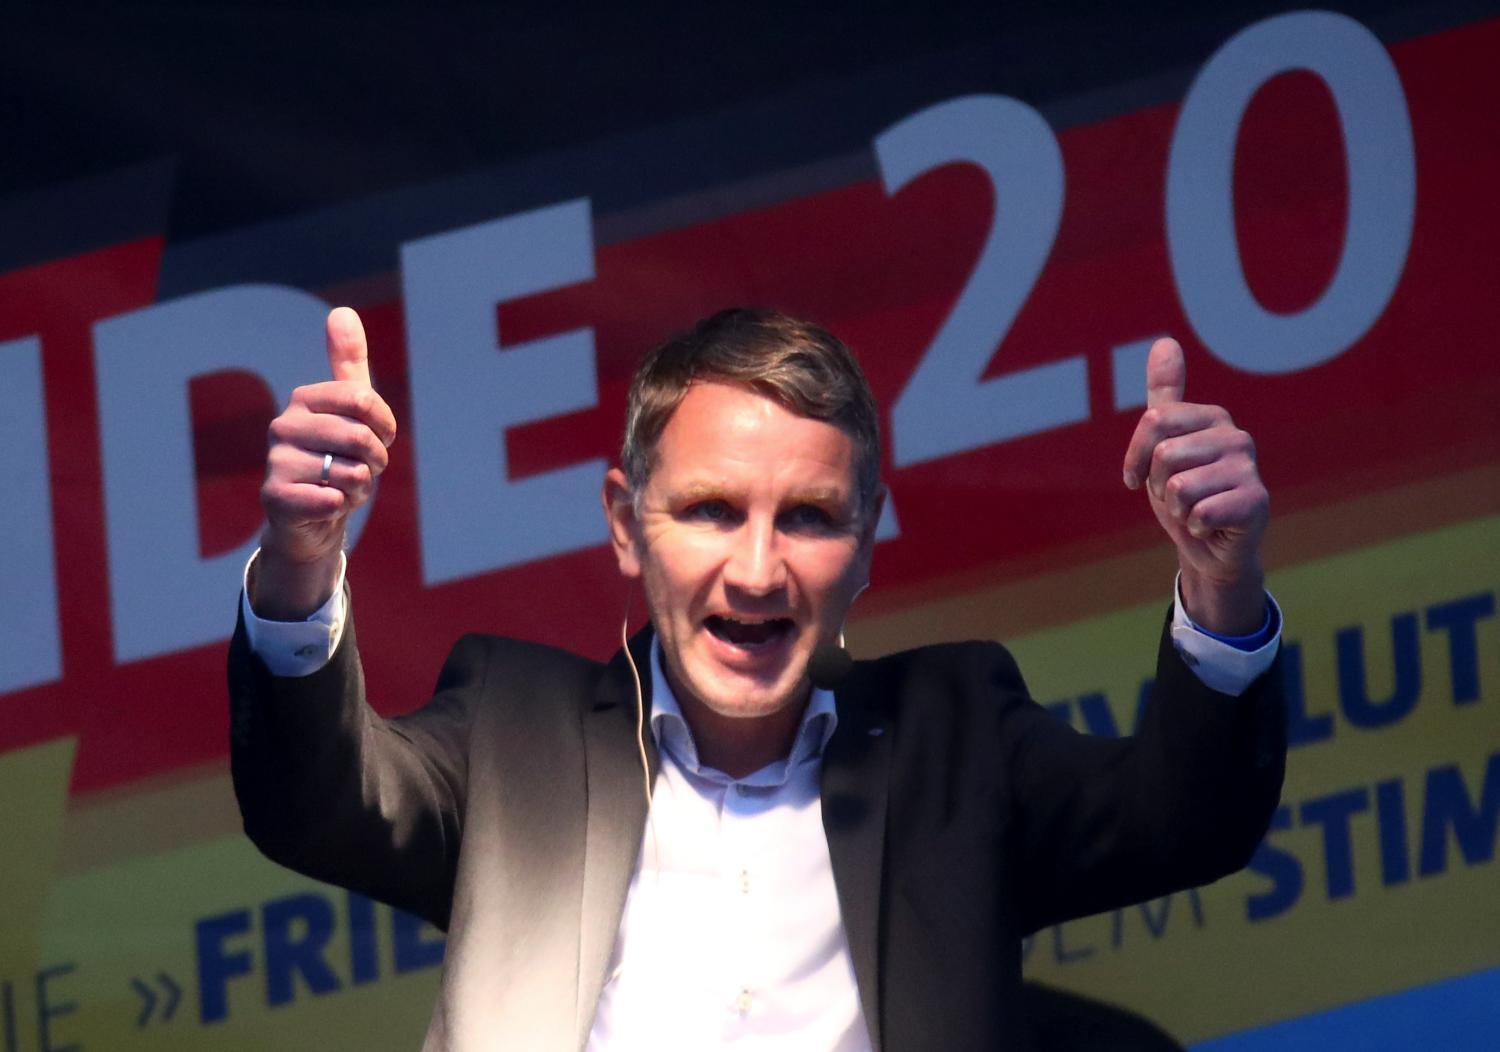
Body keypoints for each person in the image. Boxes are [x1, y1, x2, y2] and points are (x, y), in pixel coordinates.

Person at [228, 306, 1285, 1051]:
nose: (758, 567)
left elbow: (1185, 820)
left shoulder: (957, 731)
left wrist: (1219, 582)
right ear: (624, 523)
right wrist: (303, 560)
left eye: (811, 517)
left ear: (866, 543)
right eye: (711, 509)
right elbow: (312, 806)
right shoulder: (512, 726)